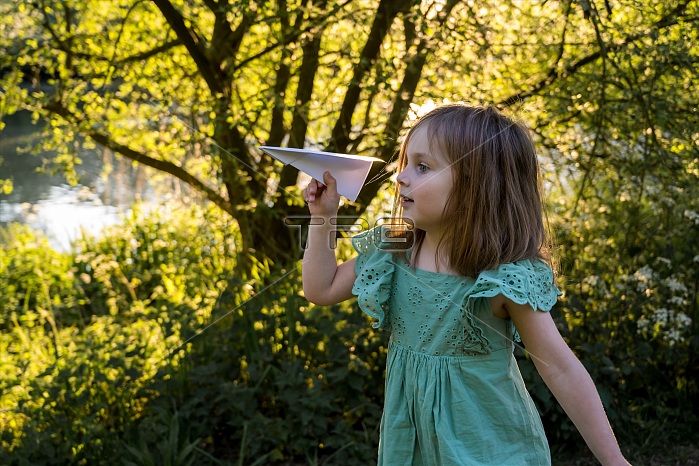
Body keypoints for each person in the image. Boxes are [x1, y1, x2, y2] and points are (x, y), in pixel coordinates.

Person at [302, 103, 629, 465]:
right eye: (406, 163)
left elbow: (560, 367)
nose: (400, 177)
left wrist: (614, 461)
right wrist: (324, 217)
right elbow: (322, 289)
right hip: (412, 448)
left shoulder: (501, 277)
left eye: (422, 167)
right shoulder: (394, 247)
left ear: (475, 185)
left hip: (489, 450)